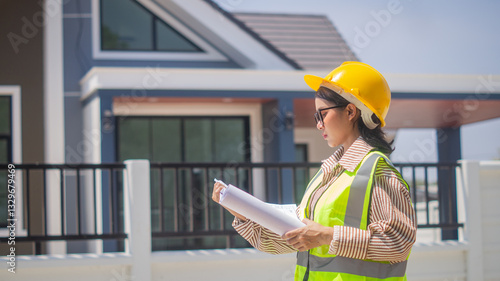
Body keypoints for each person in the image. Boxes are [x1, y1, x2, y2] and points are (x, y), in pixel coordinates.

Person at [212, 61, 416, 281]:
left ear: (350, 111)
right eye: (316, 117)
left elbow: (398, 244)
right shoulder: (325, 177)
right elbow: (291, 239)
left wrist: (326, 236)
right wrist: (242, 212)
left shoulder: (378, 172)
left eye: (322, 115)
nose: (319, 125)